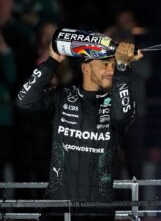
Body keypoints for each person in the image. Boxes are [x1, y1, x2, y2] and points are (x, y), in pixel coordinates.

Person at [15, 40, 143, 220]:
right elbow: (24, 102)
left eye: (114, 65)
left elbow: (122, 116)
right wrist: (52, 62)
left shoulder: (118, 103)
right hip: (58, 209)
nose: (111, 70)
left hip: (98, 211)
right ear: (85, 68)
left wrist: (123, 67)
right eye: (105, 64)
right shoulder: (63, 96)